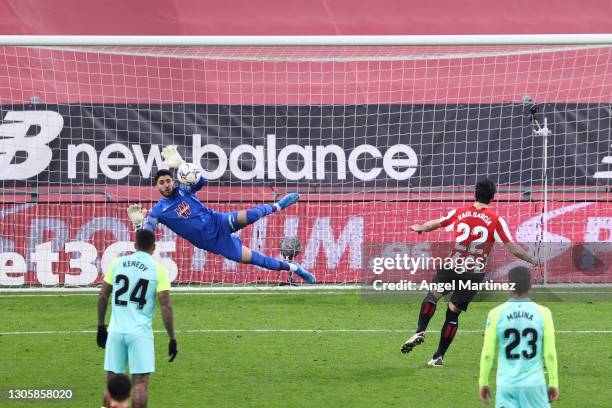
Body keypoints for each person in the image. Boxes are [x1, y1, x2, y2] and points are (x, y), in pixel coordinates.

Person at [126, 145, 315, 284]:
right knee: (259, 260)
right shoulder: (158, 211)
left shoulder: (184, 189)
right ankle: (294, 268)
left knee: (250, 215)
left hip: (219, 222)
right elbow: (146, 237)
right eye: (162, 183)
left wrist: (183, 164)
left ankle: (278, 206)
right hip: (214, 243)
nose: (166, 184)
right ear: (157, 186)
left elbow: (201, 181)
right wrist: (138, 226)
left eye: (168, 180)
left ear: (173, 181)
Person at [401, 178, 539, 366]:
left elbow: (438, 223)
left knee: (433, 296)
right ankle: (438, 357)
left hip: (453, 266)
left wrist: (421, 228)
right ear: (492, 198)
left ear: (475, 193)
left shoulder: (460, 213)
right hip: (474, 273)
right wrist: (531, 259)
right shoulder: (496, 220)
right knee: (453, 313)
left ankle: (420, 329)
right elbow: (512, 247)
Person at [97, 229, 178, 408]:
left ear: (135, 245)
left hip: (116, 331)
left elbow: (103, 295)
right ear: (154, 247)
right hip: (140, 333)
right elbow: (165, 305)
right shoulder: (158, 270)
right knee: (140, 384)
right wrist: (172, 337)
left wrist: (101, 326)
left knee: (111, 381)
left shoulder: (117, 263)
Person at [479, 266, 559, 407]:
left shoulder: (495, 313)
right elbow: (550, 354)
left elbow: (487, 353)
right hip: (534, 385)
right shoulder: (543, 313)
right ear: (530, 285)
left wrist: (483, 382)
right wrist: (553, 381)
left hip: (506, 385)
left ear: (510, 285)